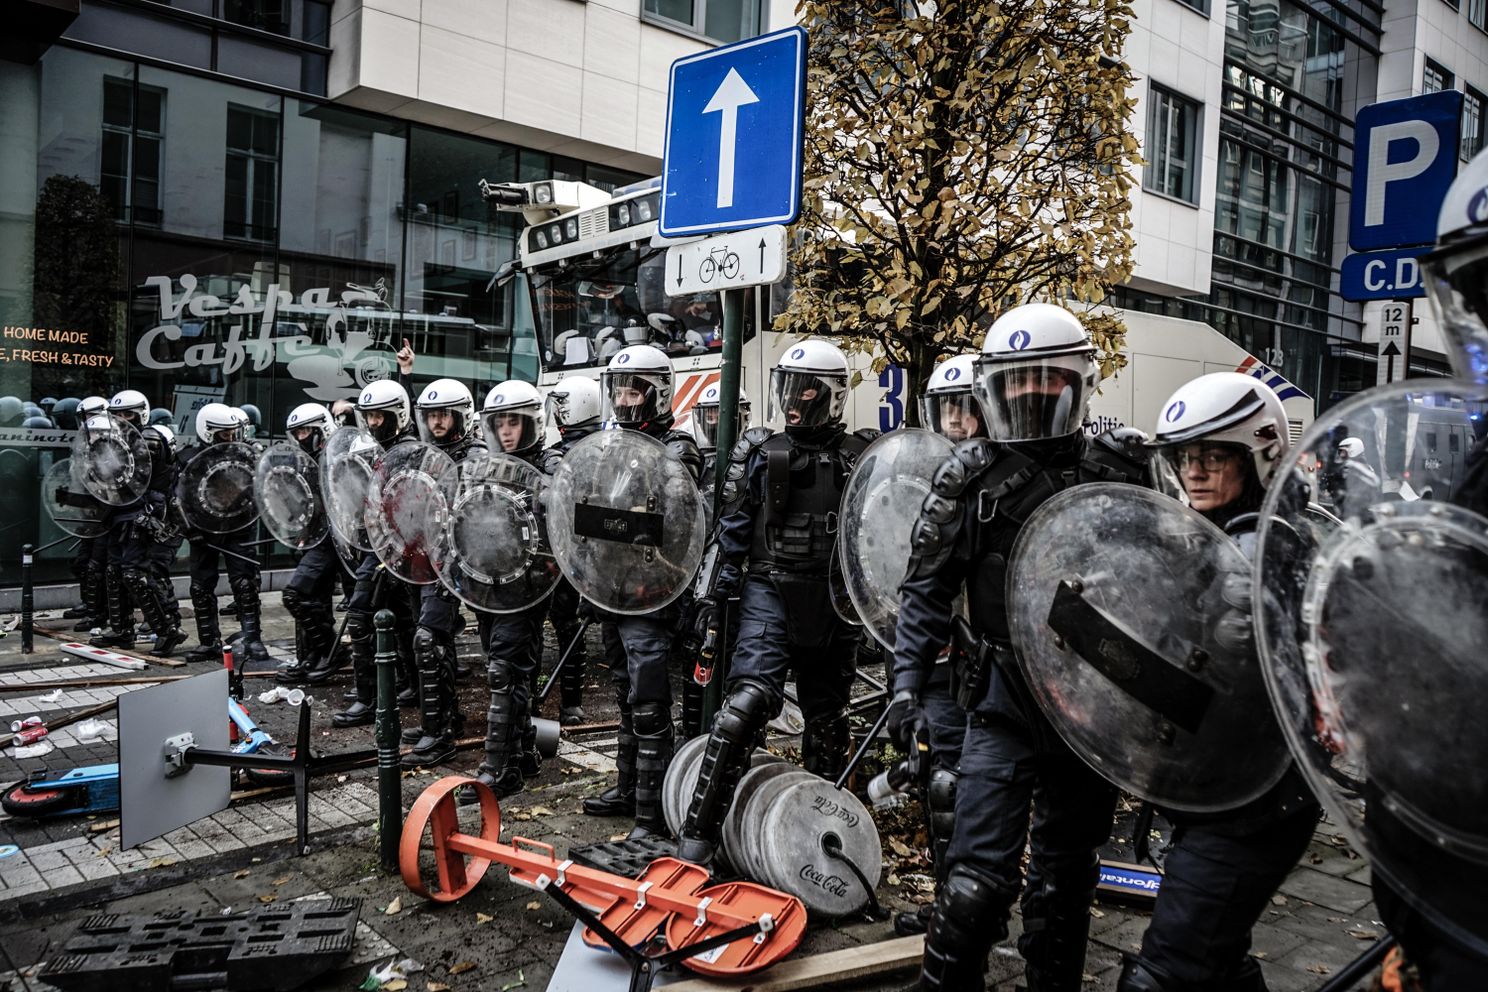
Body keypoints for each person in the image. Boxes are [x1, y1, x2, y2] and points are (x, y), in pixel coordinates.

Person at [889, 303, 1148, 991]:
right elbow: (924, 591)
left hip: (1089, 707)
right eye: (1018, 386)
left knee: (1066, 878)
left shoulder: (1118, 469)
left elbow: (1164, 592)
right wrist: (906, 686)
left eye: (1048, 383)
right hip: (1001, 700)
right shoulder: (967, 480)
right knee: (975, 879)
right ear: (993, 392)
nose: (1032, 398)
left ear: (1077, 385)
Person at [1111, 372, 1321, 992]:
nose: (1195, 472)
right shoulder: (1215, 536)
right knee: (1219, 959)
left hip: (1253, 804)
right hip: (1220, 788)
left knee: (1167, 972)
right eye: (1184, 458)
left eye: (1213, 456)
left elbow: (1211, 686)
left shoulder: (1262, 555)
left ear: (1259, 456)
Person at [675, 340, 879, 866]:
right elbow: (732, 532)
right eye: (787, 388)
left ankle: (818, 845)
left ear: (831, 395)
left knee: (828, 723)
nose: (794, 401)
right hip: (771, 590)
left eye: (806, 390)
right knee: (743, 709)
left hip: (835, 600)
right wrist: (708, 597)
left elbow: (878, 539)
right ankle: (698, 839)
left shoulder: (861, 457)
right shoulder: (764, 453)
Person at [580, 345, 704, 838]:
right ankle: (628, 786)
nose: (626, 400)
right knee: (624, 693)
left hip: (653, 592)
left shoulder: (678, 449)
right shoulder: (610, 446)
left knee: (651, 701)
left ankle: (652, 815)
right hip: (612, 588)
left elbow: (674, 523)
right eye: (621, 390)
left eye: (635, 390)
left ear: (657, 393)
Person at [894, 353, 985, 937]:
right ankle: (951, 905)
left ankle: (966, 904)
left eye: (966, 407)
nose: (955, 420)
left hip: (985, 655)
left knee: (965, 780)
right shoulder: (910, 471)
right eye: (946, 407)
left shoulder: (1000, 478)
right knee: (942, 778)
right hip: (933, 650)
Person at [463, 380, 553, 794]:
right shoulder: (480, 465)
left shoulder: (551, 464)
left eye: (514, 422)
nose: (506, 432)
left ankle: (497, 770)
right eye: (499, 423)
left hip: (527, 588)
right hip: (486, 586)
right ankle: (523, 754)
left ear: (532, 422)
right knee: (510, 674)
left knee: (503, 671)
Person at [332, 379, 421, 727]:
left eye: (379, 417)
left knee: (361, 613)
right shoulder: (370, 447)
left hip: (396, 545)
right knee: (400, 617)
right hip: (375, 542)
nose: (372, 424)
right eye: (367, 417)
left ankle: (368, 698)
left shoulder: (411, 450)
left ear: (397, 415)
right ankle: (410, 684)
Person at [400, 379, 479, 768]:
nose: (436, 422)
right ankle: (445, 718)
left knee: (428, 639)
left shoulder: (477, 455)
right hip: (425, 561)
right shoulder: (423, 454)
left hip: (458, 562)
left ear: (460, 415)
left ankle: (440, 735)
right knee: (434, 640)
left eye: (443, 414)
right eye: (430, 416)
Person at [90, 390, 186, 655]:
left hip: (141, 513)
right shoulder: (112, 441)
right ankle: (122, 630)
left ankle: (168, 630)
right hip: (117, 511)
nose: (123, 419)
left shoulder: (151, 438)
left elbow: (152, 476)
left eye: (128, 414)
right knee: (114, 571)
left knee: (134, 574)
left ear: (141, 413)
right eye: (118, 414)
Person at [178, 402, 267, 663]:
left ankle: (253, 639)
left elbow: (258, 490)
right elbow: (177, 499)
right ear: (207, 431)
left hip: (238, 528)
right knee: (201, 587)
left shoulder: (244, 455)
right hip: (203, 532)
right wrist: (188, 529)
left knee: (245, 583)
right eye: (223, 433)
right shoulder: (189, 458)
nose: (229, 438)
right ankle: (208, 642)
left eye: (232, 432)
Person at [539, 375, 605, 727]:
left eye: (563, 404)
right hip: (569, 549)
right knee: (567, 625)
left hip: (577, 550)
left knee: (569, 626)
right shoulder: (559, 452)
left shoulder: (601, 447)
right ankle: (570, 704)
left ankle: (572, 702)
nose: (558, 412)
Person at [274, 403, 345, 687]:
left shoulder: (338, 456)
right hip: (316, 539)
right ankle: (314, 657)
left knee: (295, 594)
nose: (302, 436)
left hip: (335, 541)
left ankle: (332, 651)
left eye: (307, 430)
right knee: (314, 599)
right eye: (298, 432)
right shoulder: (304, 460)